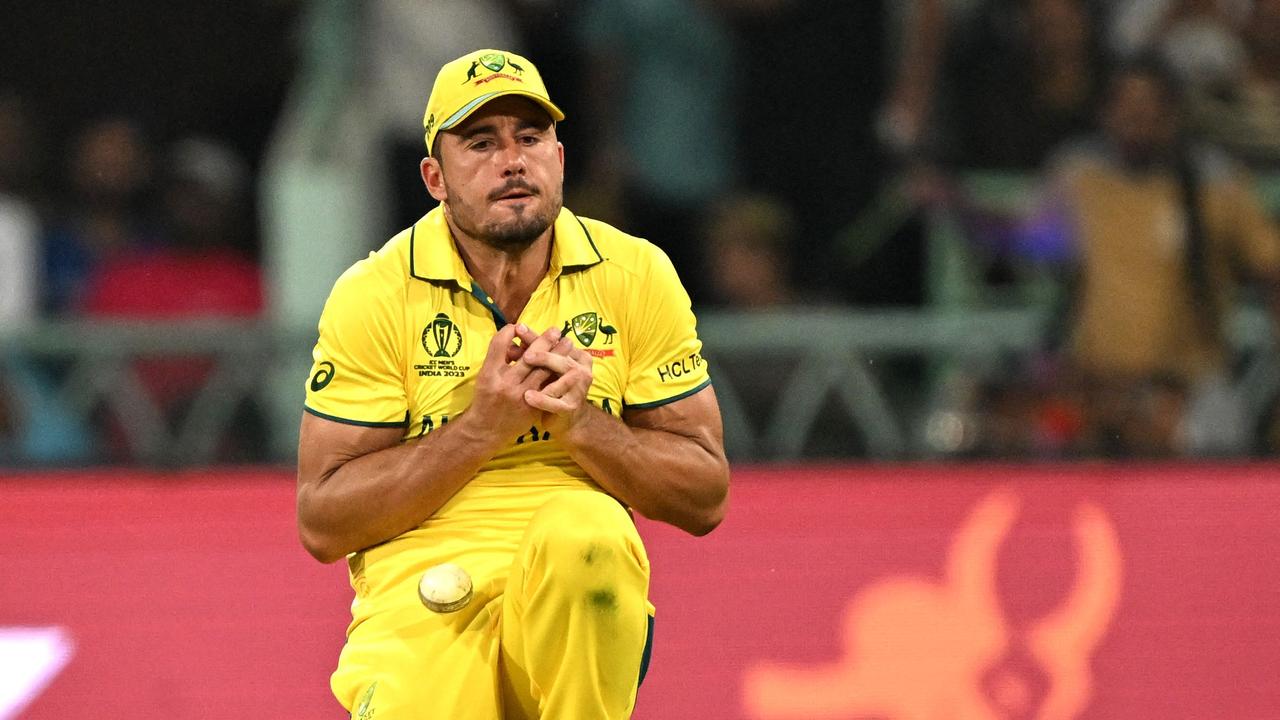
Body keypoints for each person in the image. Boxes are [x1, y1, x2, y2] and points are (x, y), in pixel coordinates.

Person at [295, 49, 730, 719]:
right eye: (480, 142)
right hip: (424, 599)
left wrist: (583, 426)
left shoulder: (636, 275)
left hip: (573, 605)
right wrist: (479, 429)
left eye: (530, 137)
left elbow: (704, 496)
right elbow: (324, 522)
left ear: (559, 155)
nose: (513, 159)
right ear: (435, 178)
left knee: (586, 527)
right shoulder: (373, 294)